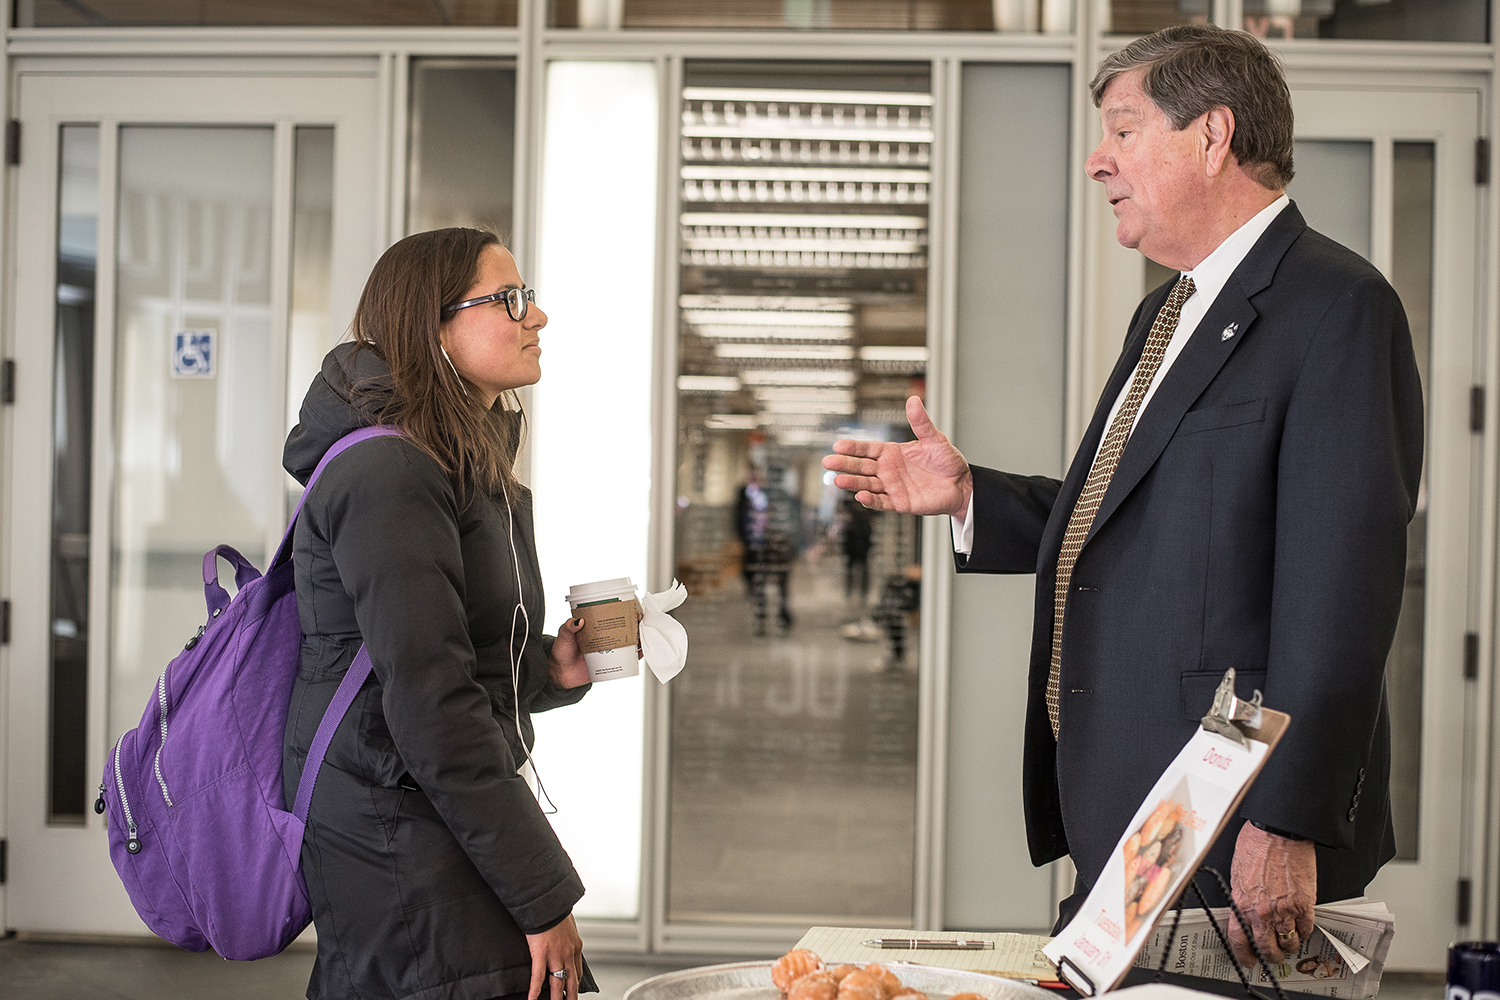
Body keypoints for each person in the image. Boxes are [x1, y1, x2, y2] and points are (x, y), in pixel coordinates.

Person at [824, 24, 1421, 969]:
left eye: (1124, 129)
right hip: (1135, 805)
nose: (1098, 161)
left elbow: (1341, 589)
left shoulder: (1337, 307)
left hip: (1233, 823)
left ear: (1212, 136)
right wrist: (971, 494)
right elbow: (1146, 512)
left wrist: (1289, 816)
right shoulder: (1170, 309)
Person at [281, 228, 597, 1000]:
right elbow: (430, 703)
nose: (538, 317)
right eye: (511, 299)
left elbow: (462, 659)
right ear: (435, 324)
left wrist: (549, 673)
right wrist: (540, 894)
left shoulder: (459, 455)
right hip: (395, 825)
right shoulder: (388, 467)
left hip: (429, 803)